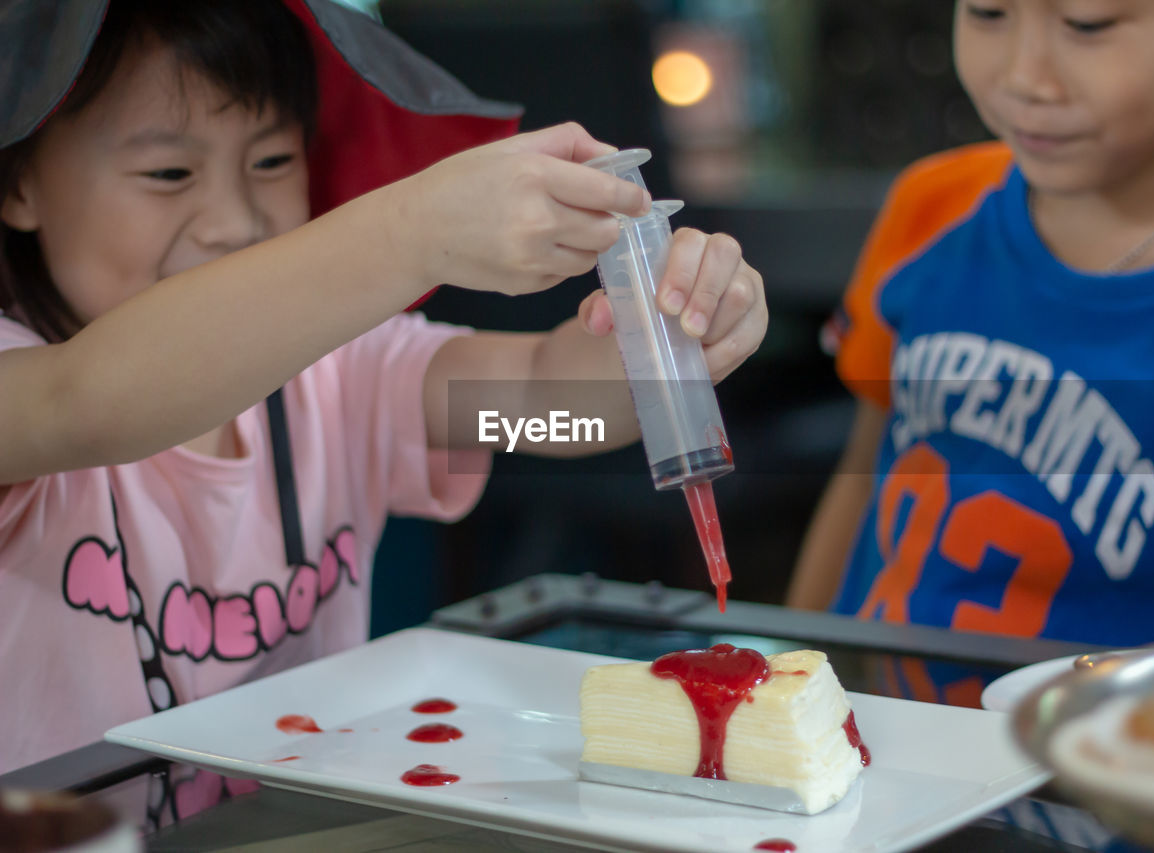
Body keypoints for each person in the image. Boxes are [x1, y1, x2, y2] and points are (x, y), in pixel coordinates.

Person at [0, 0, 767, 775]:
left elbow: (543, 408)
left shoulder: (344, 372)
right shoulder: (24, 384)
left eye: (271, 161)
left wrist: (664, 336)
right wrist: (411, 230)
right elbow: (87, 403)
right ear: (19, 181)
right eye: (169, 172)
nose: (232, 222)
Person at [788, 0, 1154, 649]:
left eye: (1086, 25)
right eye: (988, 13)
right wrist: (789, 666)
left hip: (1100, 746)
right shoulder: (931, 207)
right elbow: (859, 481)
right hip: (872, 735)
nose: (1024, 76)